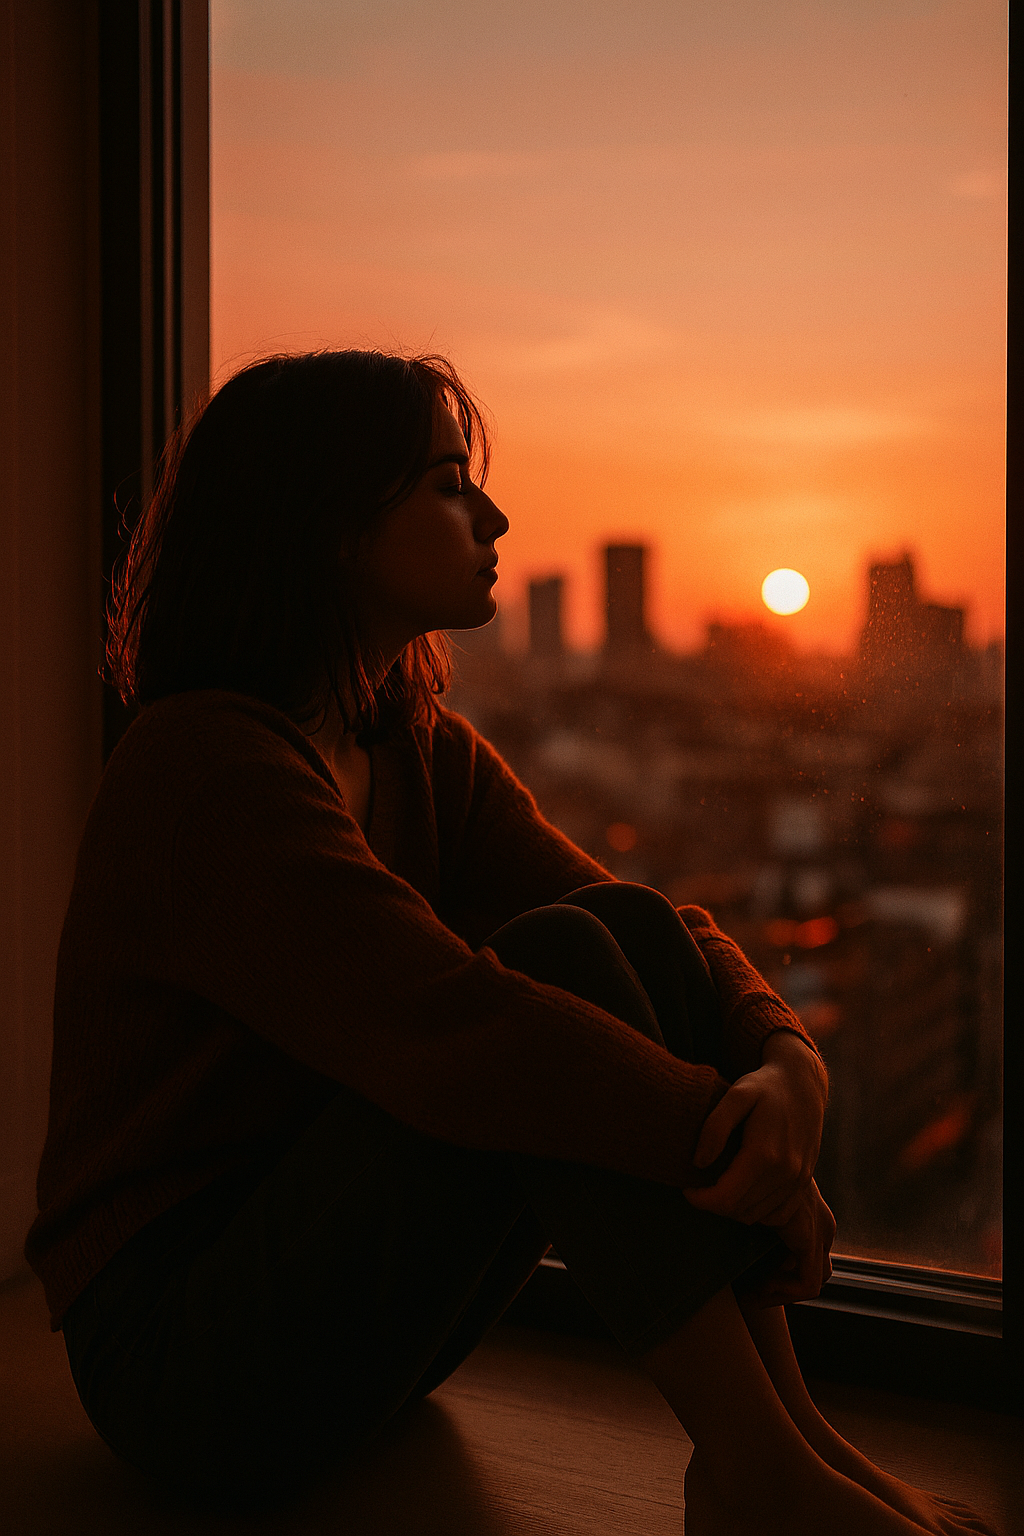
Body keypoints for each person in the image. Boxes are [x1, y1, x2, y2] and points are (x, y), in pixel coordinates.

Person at [25, 350, 998, 1535]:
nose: (491, 515)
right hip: (181, 1362)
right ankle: (764, 1474)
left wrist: (788, 1063)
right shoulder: (204, 766)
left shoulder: (414, 752)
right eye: (445, 484)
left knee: (615, 929)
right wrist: (735, 1147)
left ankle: (788, 1450)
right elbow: (451, 1032)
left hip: (340, 1311)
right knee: (549, 985)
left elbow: (653, 926)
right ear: (330, 524)